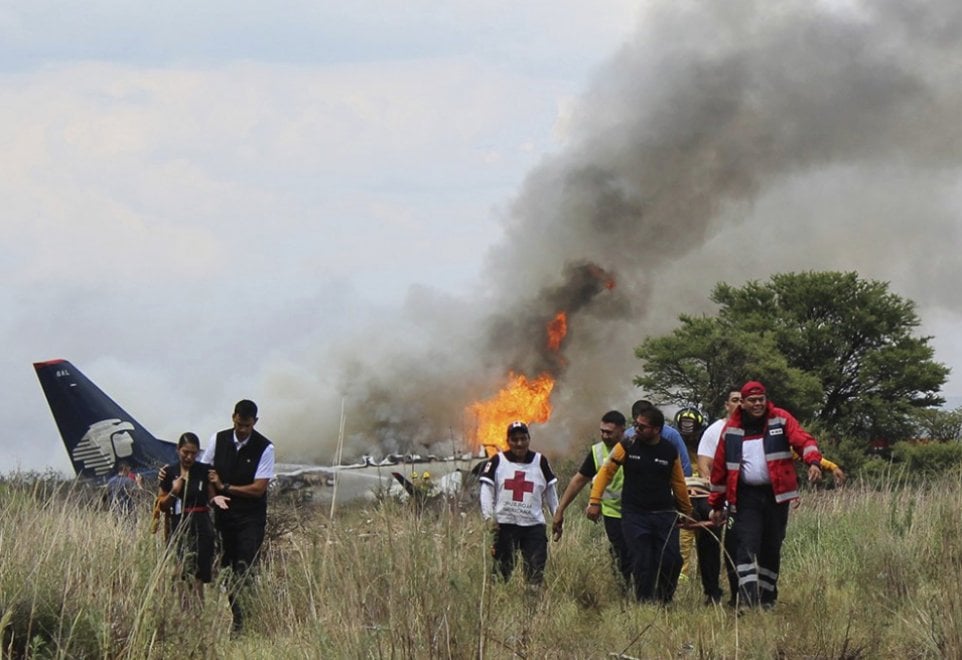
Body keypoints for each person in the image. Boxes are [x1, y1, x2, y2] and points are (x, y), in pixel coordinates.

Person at [698, 386, 847, 606]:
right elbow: (719, 470)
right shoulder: (731, 430)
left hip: (776, 497)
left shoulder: (781, 419)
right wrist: (717, 505)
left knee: (771, 548)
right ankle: (747, 602)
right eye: (752, 400)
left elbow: (803, 441)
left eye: (761, 399)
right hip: (745, 497)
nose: (758, 404)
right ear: (743, 403)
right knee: (745, 547)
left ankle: (767, 599)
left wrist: (814, 462)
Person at [587, 406, 692, 603]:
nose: (636, 429)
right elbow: (605, 472)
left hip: (664, 514)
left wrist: (686, 512)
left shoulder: (669, 451)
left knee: (672, 560)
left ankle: (664, 600)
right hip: (635, 514)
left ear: (656, 429)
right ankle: (644, 603)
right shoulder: (627, 445)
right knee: (643, 560)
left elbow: (678, 483)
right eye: (636, 425)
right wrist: (594, 501)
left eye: (642, 427)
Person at [200, 399, 275, 634]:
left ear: (255, 422)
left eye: (247, 426)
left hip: (250, 518)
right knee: (228, 568)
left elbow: (258, 488)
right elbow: (206, 472)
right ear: (233, 417)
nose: (242, 430)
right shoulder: (218, 440)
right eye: (240, 424)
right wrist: (214, 497)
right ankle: (237, 618)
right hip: (224, 516)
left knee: (245, 567)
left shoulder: (265, 448)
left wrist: (226, 487)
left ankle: (244, 623)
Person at [551, 410, 632, 590]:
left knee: (639, 553)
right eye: (602, 431)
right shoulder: (597, 451)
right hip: (613, 513)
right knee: (621, 554)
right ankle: (625, 593)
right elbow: (578, 480)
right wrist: (560, 510)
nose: (604, 435)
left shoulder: (634, 447)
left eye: (609, 432)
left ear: (622, 430)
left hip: (637, 512)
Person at [479, 421, 559, 585]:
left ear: (529, 439)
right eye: (514, 439)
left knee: (535, 571)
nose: (519, 443)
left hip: (533, 526)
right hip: (505, 525)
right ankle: (500, 604)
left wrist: (557, 516)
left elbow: (551, 491)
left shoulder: (540, 461)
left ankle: (532, 606)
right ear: (508, 441)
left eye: (523, 438)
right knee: (502, 573)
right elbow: (486, 490)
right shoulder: (497, 461)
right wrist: (489, 517)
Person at [158, 432, 229, 604]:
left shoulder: (204, 471)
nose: (189, 457)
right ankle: (183, 610)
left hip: (201, 524)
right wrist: (174, 492)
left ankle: (197, 613)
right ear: (178, 450)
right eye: (185, 452)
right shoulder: (169, 472)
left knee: (198, 572)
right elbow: (161, 505)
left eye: (194, 453)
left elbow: (211, 497)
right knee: (180, 571)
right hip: (178, 524)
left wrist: (216, 499)